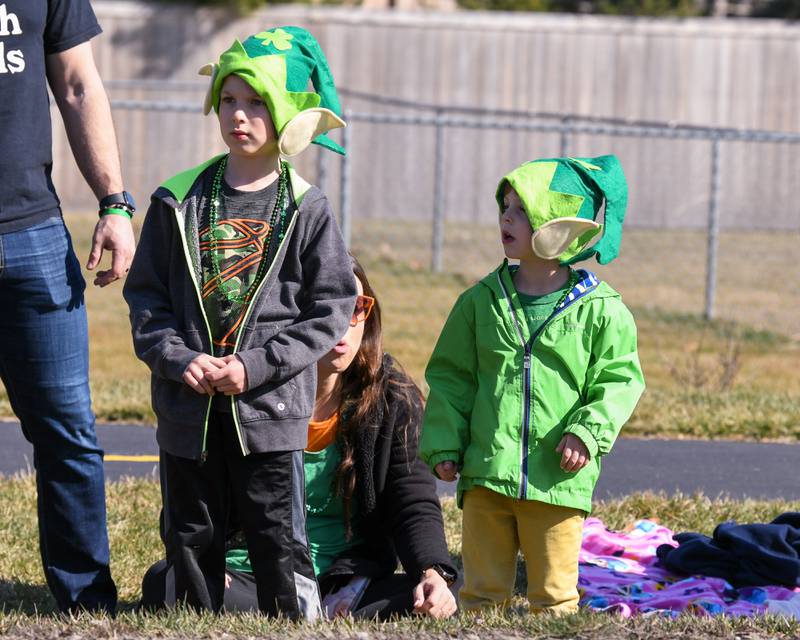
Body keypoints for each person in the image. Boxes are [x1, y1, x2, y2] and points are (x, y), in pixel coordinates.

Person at [123, 26, 356, 619]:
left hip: (270, 411)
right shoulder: (176, 201)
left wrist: (254, 368)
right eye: (229, 100)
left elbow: (330, 308)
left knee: (277, 535)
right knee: (191, 532)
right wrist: (181, 360)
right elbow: (147, 299)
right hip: (188, 408)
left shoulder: (307, 208)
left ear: (286, 117)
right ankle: (194, 623)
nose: (240, 116)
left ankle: (291, 625)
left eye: (256, 104)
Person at [141, 255, 460, 620]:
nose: (342, 322)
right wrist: (206, 564)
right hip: (249, 573)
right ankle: (308, 610)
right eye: (327, 306)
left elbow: (411, 500)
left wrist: (432, 572)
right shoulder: (241, 386)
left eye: (356, 307)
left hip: (346, 579)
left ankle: (312, 608)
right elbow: (191, 497)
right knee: (165, 584)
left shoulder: (390, 396)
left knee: (447, 594)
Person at [420, 155, 646, 613]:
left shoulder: (602, 309)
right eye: (505, 206)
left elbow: (619, 379)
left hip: (556, 479)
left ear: (560, 223)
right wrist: (445, 441)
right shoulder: (480, 302)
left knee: (553, 596)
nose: (506, 217)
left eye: (522, 209)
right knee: (481, 596)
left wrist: (588, 431)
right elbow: (452, 378)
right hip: (487, 476)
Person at [0, 1, 136, 613]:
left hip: (32, 235)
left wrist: (114, 203)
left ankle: (87, 602)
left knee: (68, 432)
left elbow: (79, 84)